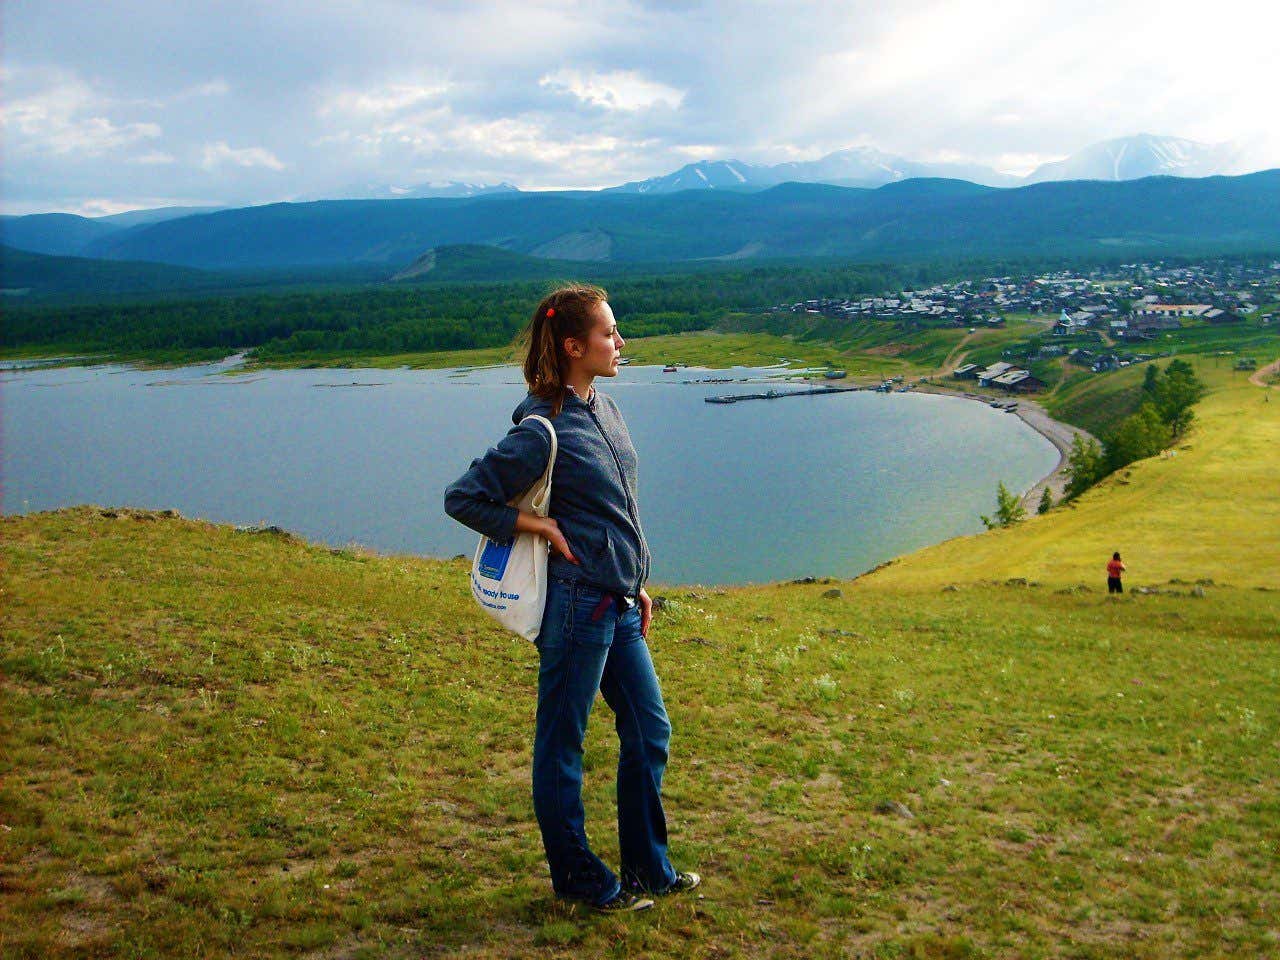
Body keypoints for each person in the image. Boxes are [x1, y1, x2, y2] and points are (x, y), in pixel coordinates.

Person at [444, 283, 698, 913]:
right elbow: (464, 497)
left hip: (616, 599)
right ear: (573, 345)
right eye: (610, 334)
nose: (621, 343)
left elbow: (619, 507)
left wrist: (635, 580)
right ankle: (581, 881)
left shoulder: (605, 408)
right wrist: (536, 525)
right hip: (577, 604)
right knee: (563, 744)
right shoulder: (541, 427)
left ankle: (647, 868)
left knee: (650, 730)